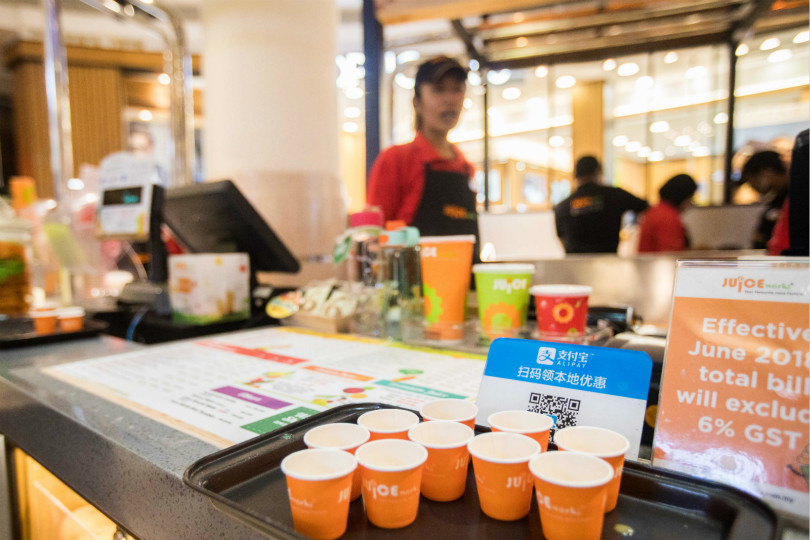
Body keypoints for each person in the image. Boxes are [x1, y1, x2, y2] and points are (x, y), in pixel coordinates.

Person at [366, 56, 478, 240]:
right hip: (411, 268)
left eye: (457, 90)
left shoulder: (465, 167)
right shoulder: (395, 160)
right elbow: (373, 236)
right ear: (416, 102)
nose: (450, 99)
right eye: (439, 90)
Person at [554, 156, 648, 254]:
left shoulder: (561, 207)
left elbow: (561, 238)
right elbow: (645, 206)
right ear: (598, 171)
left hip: (574, 265)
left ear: (575, 175)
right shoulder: (614, 195)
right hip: (606, 262)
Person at [740, 150, 789, 250]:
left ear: (767, 173)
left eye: (752, 181)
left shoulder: (796, 196)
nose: (752, 187)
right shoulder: (777, 198)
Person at [638, 174, 698, 253]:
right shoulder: (667, 217)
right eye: (690, 198)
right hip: (658, 264)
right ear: (683, 196)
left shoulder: (657, 210)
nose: (690, 204)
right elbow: (671, 254)